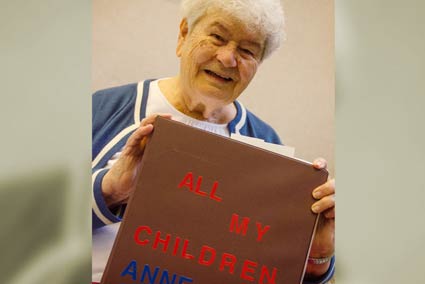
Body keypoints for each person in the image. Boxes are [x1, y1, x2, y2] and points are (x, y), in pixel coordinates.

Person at [92, 0, 335, 283]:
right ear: (183, 35)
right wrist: (108, 191)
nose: (228, 58)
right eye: (217, 37)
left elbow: (267, 270)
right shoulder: (102, 111)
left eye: (247, 51)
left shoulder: (266, 146)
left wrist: (316, 255)